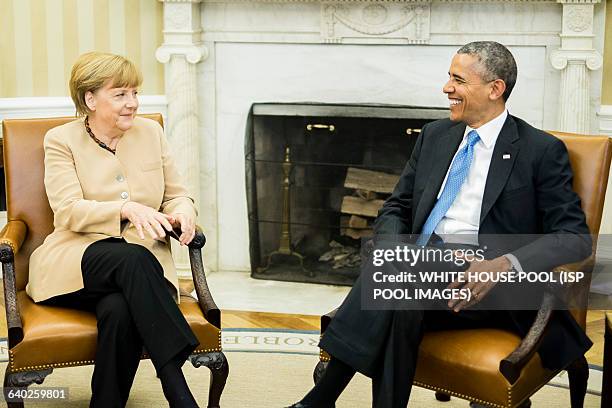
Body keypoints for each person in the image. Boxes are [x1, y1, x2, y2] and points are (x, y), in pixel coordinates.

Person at [288, 41, 593, 407]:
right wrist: (389, 246)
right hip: (418, 271)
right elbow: (397, 207)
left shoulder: (539, 151)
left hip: (488, 283)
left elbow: (574, 238)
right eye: (449, 77)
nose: (446, 88)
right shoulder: (435, 135)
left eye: (458, 80)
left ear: (495, 89)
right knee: (402, 294)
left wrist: (504, 265)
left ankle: (318, 400)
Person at [26, 52, 201, 408]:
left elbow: (177, 195)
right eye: (120, 94)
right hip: (74, 262)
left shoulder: (151, 132)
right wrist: (125, 208)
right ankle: (178, 391)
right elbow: (68, 210)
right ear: (90, 99)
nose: (133, 103)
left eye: (135, 93)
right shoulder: (60, 140)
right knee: (132, 259)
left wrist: (184, 210)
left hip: (137, 274)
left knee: (119, 309)